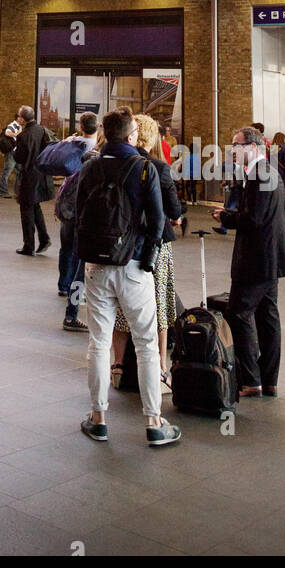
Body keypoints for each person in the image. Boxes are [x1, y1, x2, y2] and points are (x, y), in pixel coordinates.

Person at [77, 108, 178, 447]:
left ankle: (98, 418)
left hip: (97, 268)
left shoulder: (91, 166)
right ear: (132, 135)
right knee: (147, 344)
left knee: (98, 343)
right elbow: (159, 221)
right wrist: (147, 261)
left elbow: (77, 214)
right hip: (134, 265)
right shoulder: (144, 167)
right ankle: (153, 421)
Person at [211, 126, 285, 397]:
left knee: (239, 313)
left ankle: (251, 380)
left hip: (255, 261)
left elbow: (253, 220)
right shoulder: (271, 174)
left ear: (255, 147)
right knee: (268, 317)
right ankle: (270, 380)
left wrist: (226, 217)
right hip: (272, 259)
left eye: (237, 145)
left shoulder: (259, 175)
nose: (232, 150)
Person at [111, 114, 182, 388]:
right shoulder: (159, 168)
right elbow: (174, 210)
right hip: (154, 246)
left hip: (123, 245)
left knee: (121, 306)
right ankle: (161, 367)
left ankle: (117, 366)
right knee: (159, 305)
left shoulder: (117, 164)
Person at [53, 112, 99, 331]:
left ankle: (65, 286)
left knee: (66, 248)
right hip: (83, 215)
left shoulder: (73, 144)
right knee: (81, 264)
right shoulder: (97, 152)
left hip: (68, 207)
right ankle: (73, 309)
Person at [13, 105, 52, 255]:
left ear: (22, 119)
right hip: (41, 174)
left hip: (28, 175)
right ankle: (44, 239)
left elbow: (19, 157)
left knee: (26, 210)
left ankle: (29, 245)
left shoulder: (24, 135)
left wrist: (15, 150)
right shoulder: (42, 130)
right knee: (35, 207)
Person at [0, 117, 21, 198]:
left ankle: (18, 192)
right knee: (7, 172)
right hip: (11, 152)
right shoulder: (12, 125)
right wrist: (17, 134)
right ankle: (3, 192)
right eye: (22, 118)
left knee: (20, 172)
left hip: (17, 152)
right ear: (18, 118)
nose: (23, 120)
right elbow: (7, 133)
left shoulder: (19, 126)